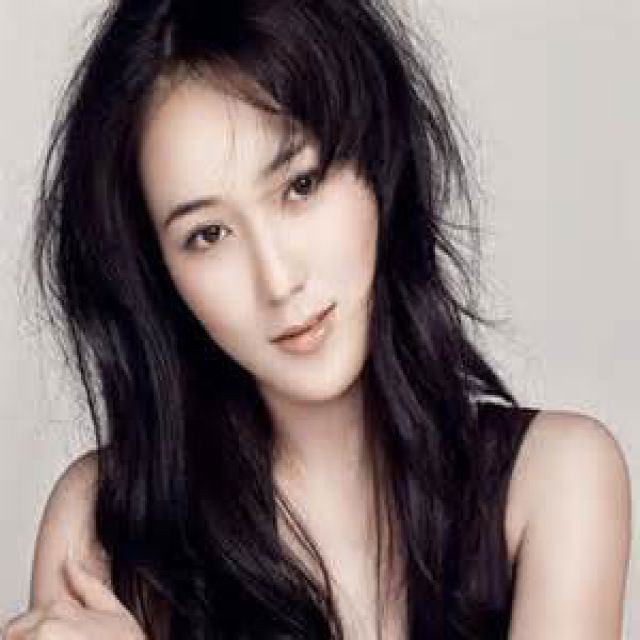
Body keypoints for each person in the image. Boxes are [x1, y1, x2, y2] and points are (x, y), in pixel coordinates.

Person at [2, 0, 631, 638]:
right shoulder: (103, 525)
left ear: (377, 161)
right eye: (208, 234)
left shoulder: (556, 480)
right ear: (156, 271)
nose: (278, 281)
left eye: (300, 186)